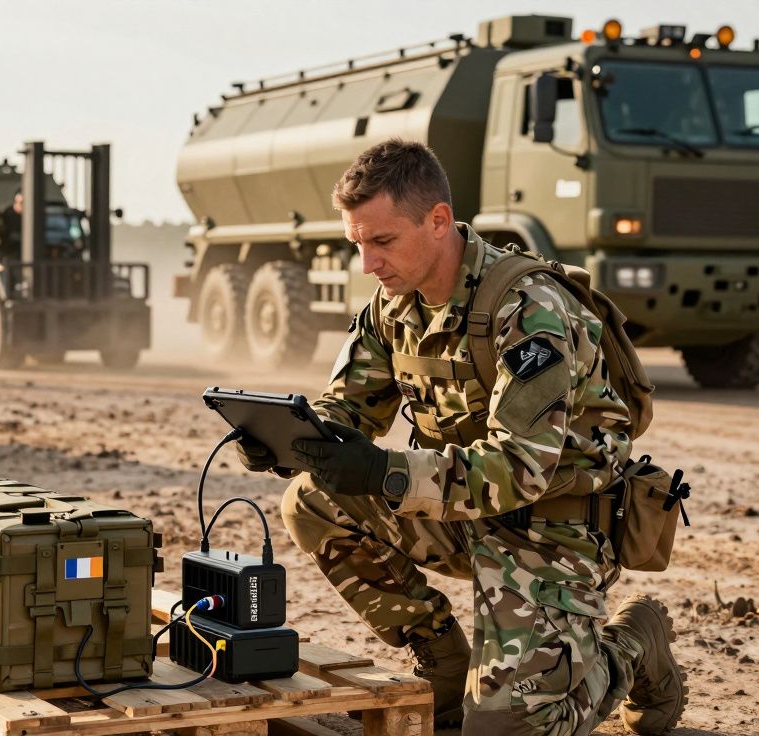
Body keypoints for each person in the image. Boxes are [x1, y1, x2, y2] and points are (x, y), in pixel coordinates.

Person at [237, 139, 683, 735]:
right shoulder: (392, 306)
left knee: (505, 729)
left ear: (439, 220)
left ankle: (630, 645)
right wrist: (294, 443)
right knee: (313, 499)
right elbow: (346, 409)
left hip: (554, 528)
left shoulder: (529, 309)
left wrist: (385, 471)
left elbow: (519, 467)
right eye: (357, 244)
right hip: (463, 514)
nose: (368, 263)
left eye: (383, 241)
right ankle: (447, 666)